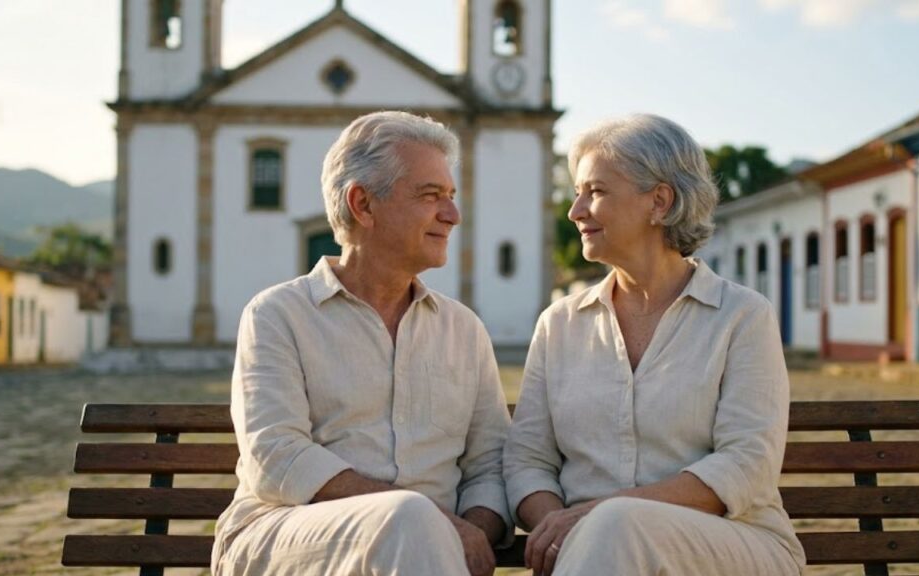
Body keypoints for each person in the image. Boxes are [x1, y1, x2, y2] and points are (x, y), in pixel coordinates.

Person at [503, 114, 807, 576]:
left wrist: (600, 514)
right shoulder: (559, 324)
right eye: (578, 192)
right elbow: (527, 460)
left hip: (735, 544)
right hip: (593, 554)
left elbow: (747, 464)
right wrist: (558, 525)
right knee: (613, 530)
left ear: (659, 202)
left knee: (618, 523)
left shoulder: (743, 316)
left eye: (596, 192)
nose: (576, 210)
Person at [212, 111, 512, 576]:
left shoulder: (464, 330)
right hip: (282, 534)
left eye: (451, 197)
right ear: (363, 204)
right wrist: (430, 520)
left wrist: (472, 529)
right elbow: (275, 456)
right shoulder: (277, 315)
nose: (452, 215)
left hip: (427, 553)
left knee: (411, 524)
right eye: (431, 196)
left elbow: (490, 466)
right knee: (409, 518)